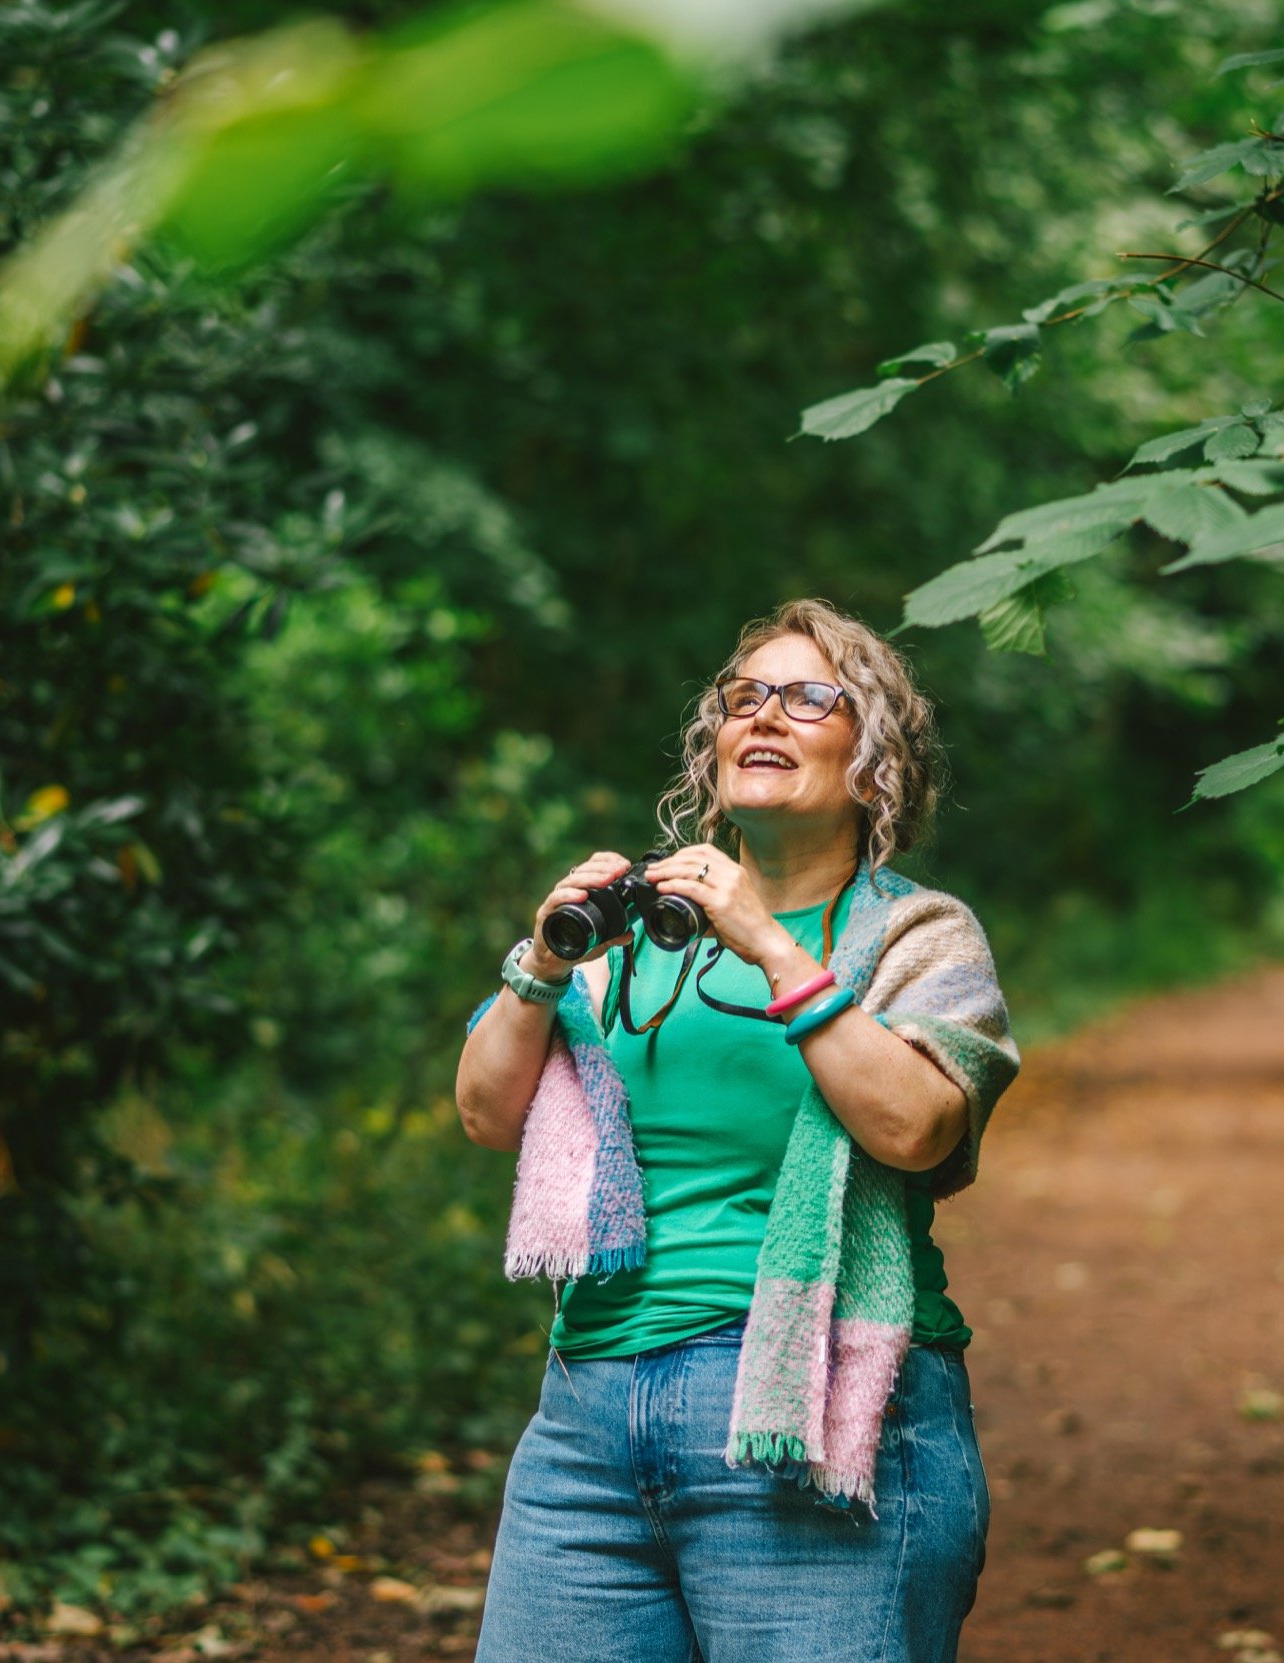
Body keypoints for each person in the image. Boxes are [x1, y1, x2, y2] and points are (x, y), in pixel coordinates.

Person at [455, 598, 1019, 1663]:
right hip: (588, 1415)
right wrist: (538, 963)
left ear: (874, 755)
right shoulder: (633, 934)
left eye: (810, 697)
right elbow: (488, 1116)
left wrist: (767, 941)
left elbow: (917, 1126)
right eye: (743, 695)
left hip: (808, 1404)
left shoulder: (914, 932)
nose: (764, 714)